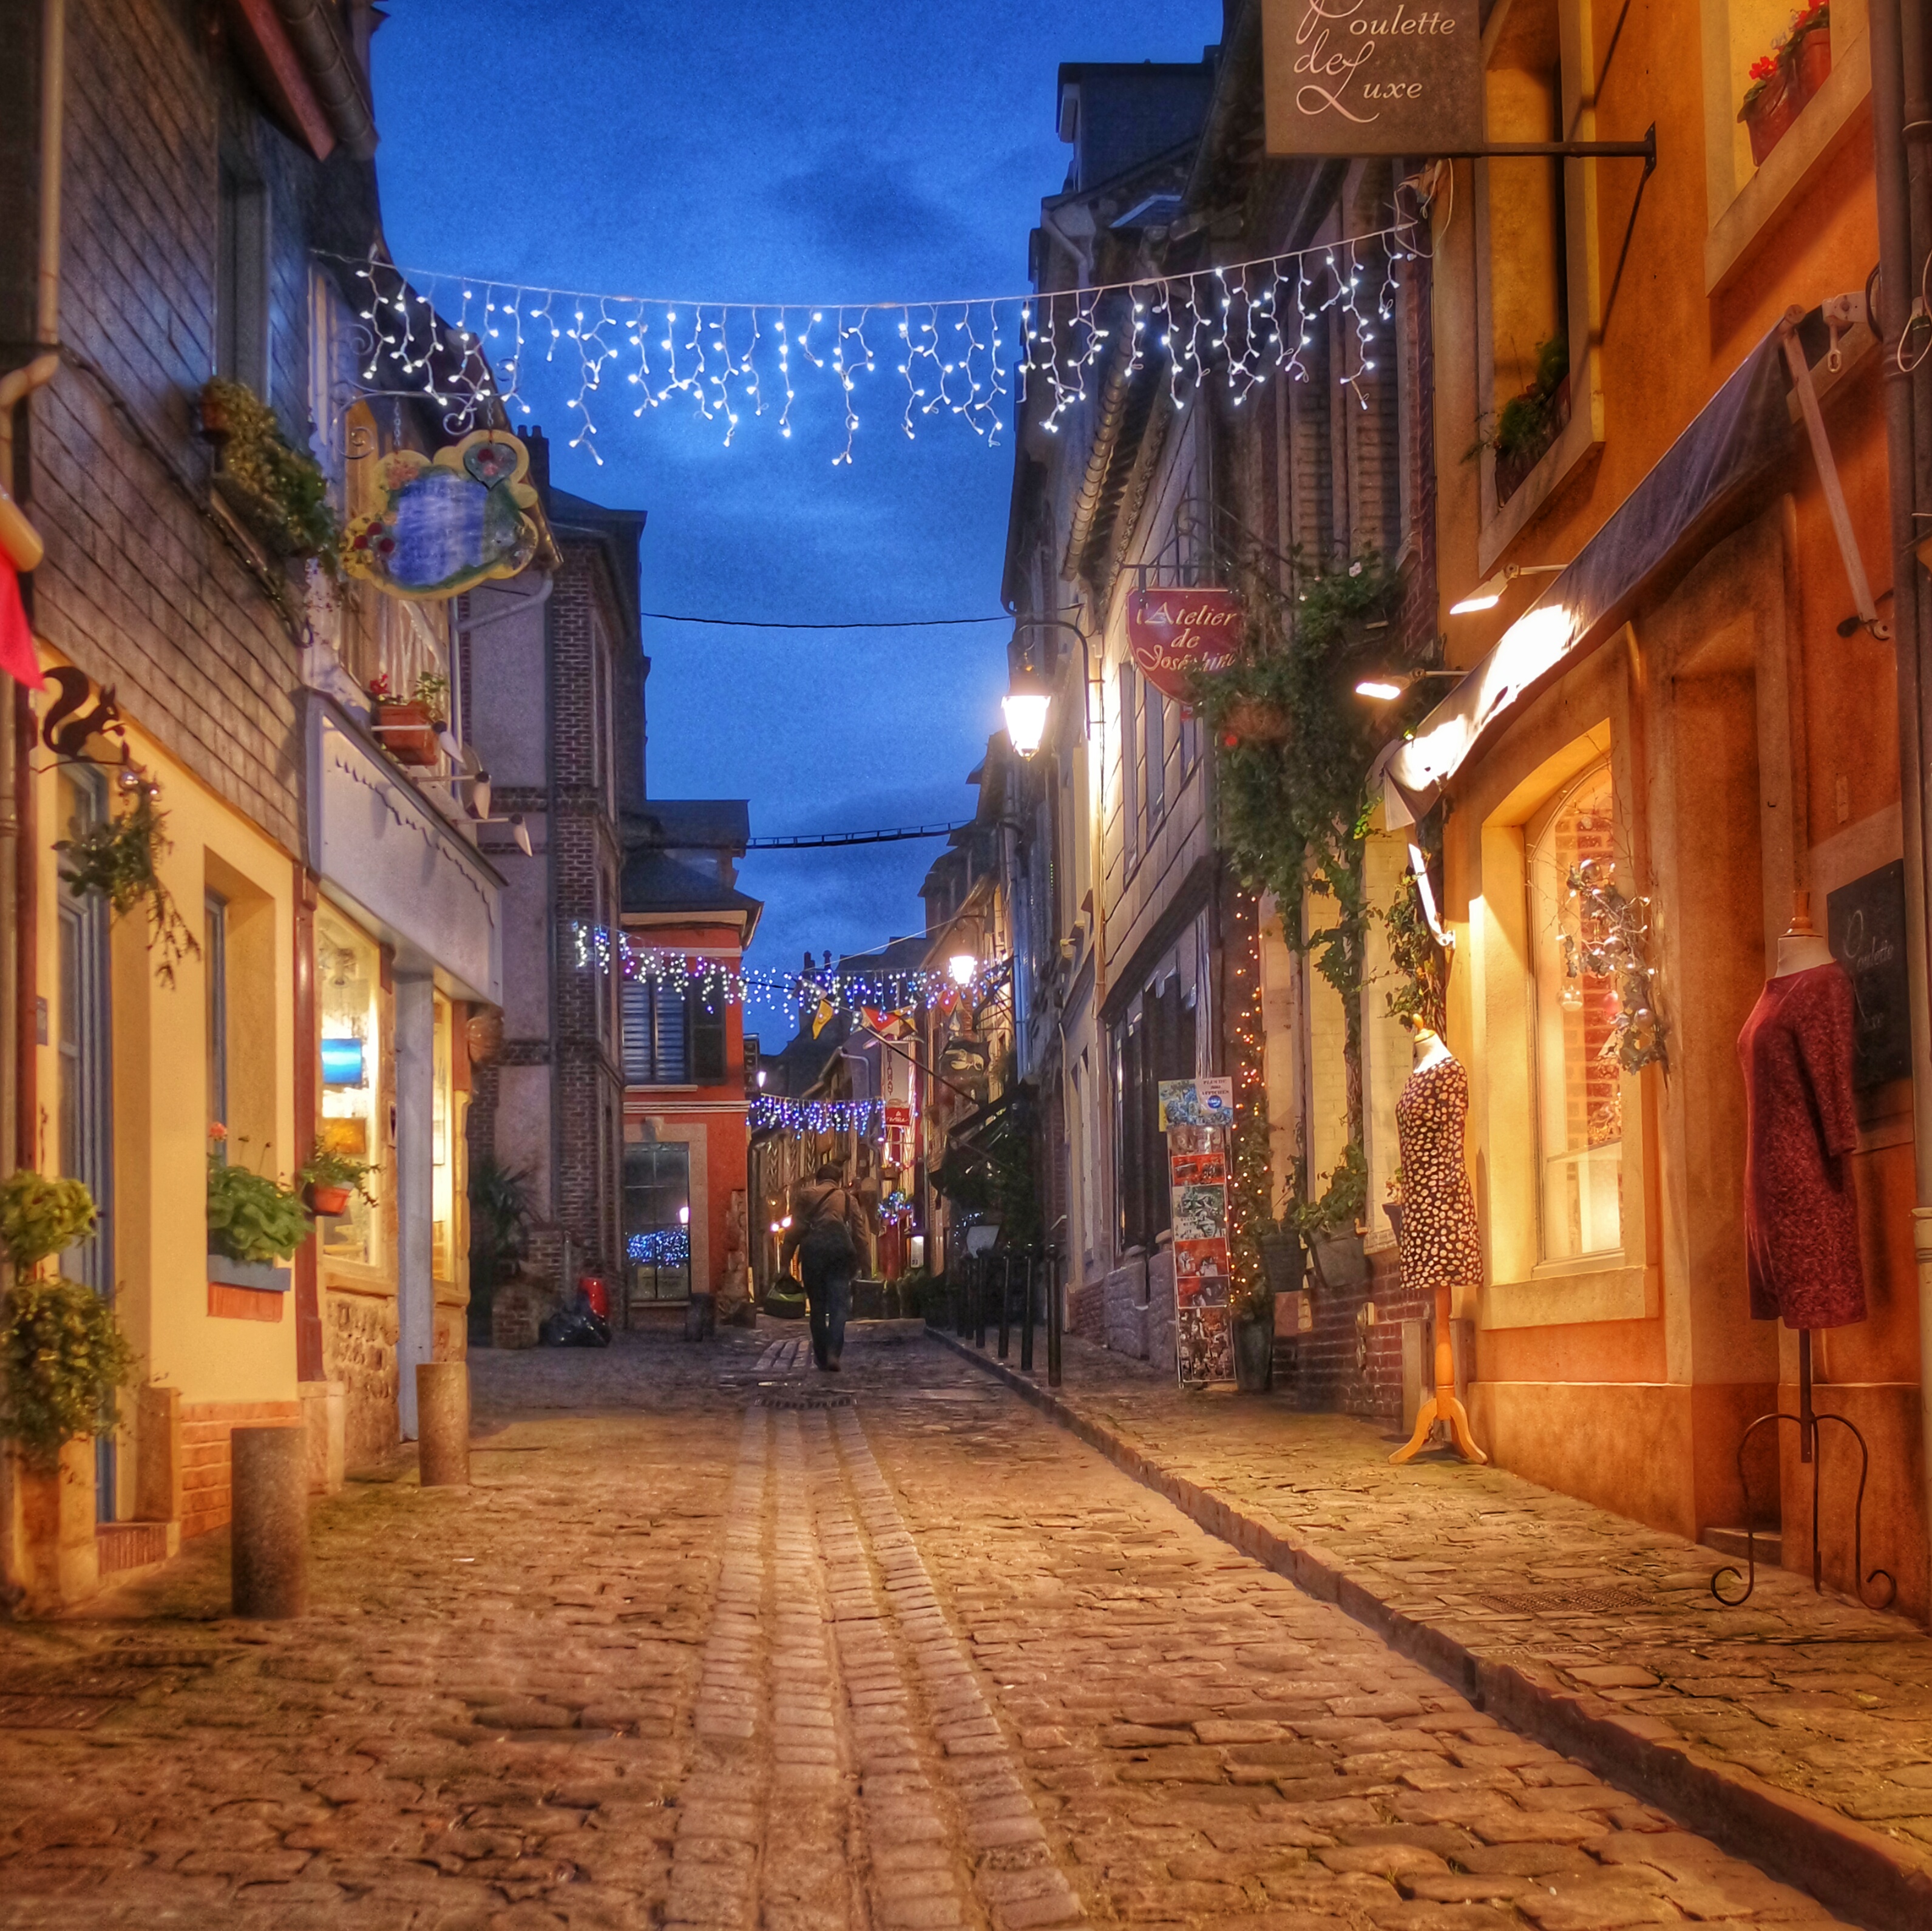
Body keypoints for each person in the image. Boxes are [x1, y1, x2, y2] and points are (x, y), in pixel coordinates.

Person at [782, 1160, 870, 1370]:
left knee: (818, 1308)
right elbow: (860, 1236)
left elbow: (794, 1232)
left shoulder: (806, 1196)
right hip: (840, 1254)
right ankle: (833, 1353)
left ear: (818, 1179)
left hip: (814, 1254)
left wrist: (785, 1265)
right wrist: (866, 1266)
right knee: (839, 1307)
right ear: (838, 1181)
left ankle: (821, 1356)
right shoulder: (849, 1200)